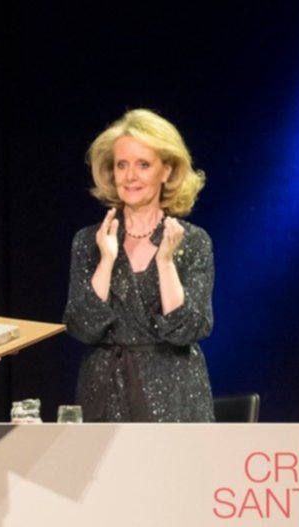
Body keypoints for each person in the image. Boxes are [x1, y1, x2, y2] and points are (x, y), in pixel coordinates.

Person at [63, 109, 214, 422]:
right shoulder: (88, 241)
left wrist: (166, 262)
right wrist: (106, 260)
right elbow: (82, 326)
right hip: (103, 394)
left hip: (173, 395)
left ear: (167, 171)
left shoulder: (194, 241)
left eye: (143, 165)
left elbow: (187, 329)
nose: (130, 176)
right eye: (122, 165)